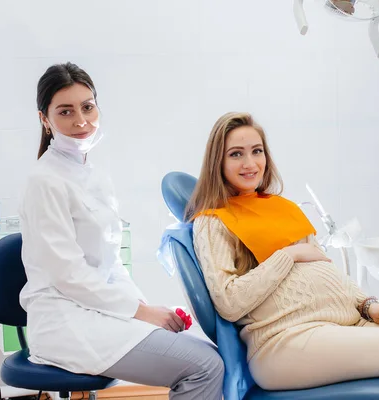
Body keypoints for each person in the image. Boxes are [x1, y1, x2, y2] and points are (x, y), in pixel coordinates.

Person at [185, 111, 379, 400]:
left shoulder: (281, 208)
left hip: (342, 326)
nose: (250, 163)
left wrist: (369, 307)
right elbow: (229, 302)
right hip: (285, 341)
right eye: (236, 153)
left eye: (257, 151)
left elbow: (329, 276)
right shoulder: (213, 221)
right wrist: (288, 255)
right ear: (218, 162)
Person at [18, 62, 224, 400]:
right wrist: (140, 313)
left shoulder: (95, 176)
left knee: (208, 351)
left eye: (87, 107)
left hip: (98, 312)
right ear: (45, 119)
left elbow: (110, 263)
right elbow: (68, 276)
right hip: (65, 322)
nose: (81, 120)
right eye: (65, 111)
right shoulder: (44, 181)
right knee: (204, 366)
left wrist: (143, 308)